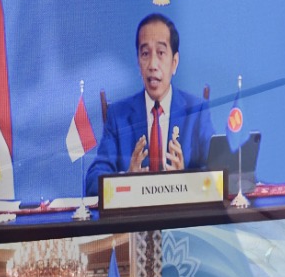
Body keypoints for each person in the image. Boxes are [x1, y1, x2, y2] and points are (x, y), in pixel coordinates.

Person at [84, 14, 215, 197]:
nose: (153, 65)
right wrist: (127, 179)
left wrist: (186, 179)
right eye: (145, 54)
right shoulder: (118, 116)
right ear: (138, 62)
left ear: (174, 63)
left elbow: (218, 177)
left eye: (161, 53)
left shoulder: (196, 112)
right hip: (134, 214)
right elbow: (92, 182)